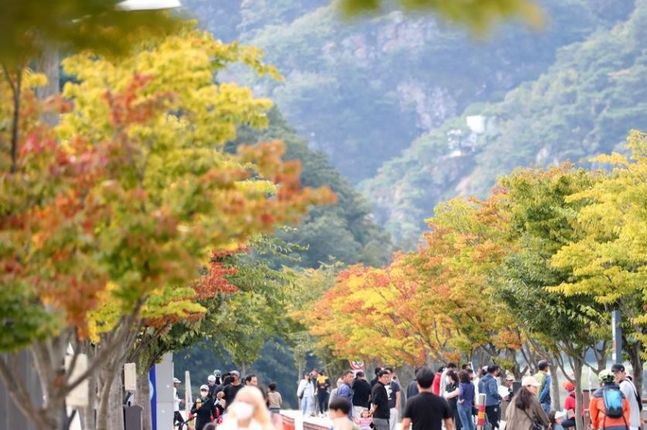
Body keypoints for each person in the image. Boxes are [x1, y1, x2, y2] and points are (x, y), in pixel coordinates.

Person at [612, 363, 642, 430]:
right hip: (633, 423)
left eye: (618, 373)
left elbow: (618, 404)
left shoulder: (624, 385)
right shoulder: (629, 382)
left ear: (623, 373)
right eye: (614, 373)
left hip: (629, 423)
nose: (615, 375)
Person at [479, 365, 502, 430]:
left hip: (483, 403)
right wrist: (500, 397)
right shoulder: (492, 380)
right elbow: (493, 392)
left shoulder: (481, 380)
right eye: (497, 371)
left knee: (483, 423)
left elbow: (480, 391)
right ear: (495, 371)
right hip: (492, 404)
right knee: (492, 422)